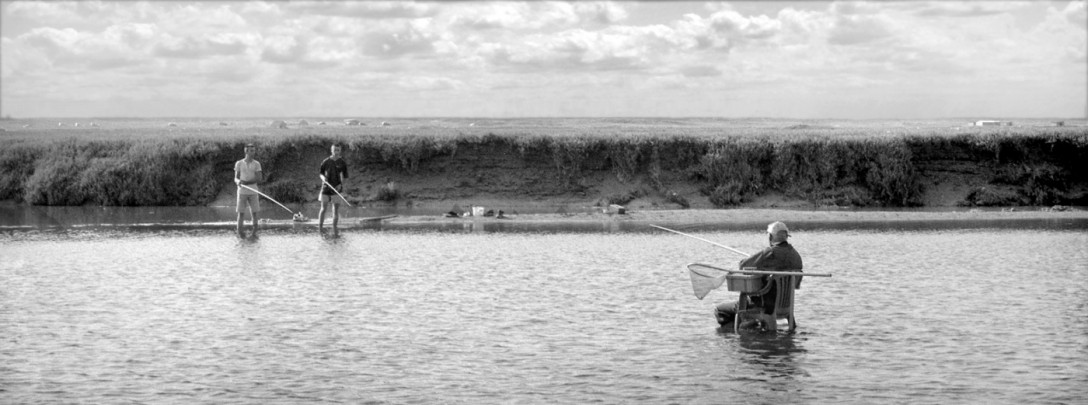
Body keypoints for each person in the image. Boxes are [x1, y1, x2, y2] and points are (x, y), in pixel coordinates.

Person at [715, 221, 803, 327]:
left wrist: (755, 258)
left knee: (720, 310)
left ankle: (741, 333)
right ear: (786, 237)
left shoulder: (769, 253)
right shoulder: (796, 255)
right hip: (786, 305)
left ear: (770, 236)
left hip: (765, 305)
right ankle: (754, 330)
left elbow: (742, 265)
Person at [318, 143, 349, 235]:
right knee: (323, 208)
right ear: (331, 150)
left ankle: (335, 230)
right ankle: (320, 228)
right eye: (334, 150)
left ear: (340, 151)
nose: (336, 152)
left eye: (338, 150)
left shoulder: (342, 163)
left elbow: (345, 177)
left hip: (337, 189)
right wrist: (323, 179)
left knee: (335, 210)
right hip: (325, 188)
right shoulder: (326, 161)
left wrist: (340, 185)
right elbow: (321, 174)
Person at [234, 143, 263, 238]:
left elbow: (259, 178)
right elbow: (236, 178)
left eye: (254, 150)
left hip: (253, 192)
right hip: (242, 192)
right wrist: (238, 182)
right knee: (240, 213)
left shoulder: (257, 164)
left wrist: (246, 183)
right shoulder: (239, 163)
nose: (254, 153)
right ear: (246, 151)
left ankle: (254, 233)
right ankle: (240, 233)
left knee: (255, 213)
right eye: (251, 151)